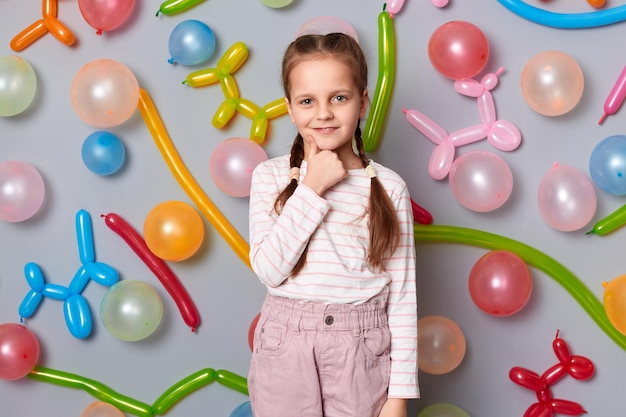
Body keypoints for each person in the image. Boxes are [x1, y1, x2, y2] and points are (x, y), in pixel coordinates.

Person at [247, 32, 418, 417]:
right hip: (285, 348)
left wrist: (399, 397)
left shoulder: (389, 187)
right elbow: (270, 271)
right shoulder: (270, 176)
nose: (323, 113)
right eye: (308, 101)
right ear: (290, 109)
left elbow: (403, 299)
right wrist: (312, 187)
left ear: (362, 103)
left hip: (362, 351)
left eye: (338, 98)